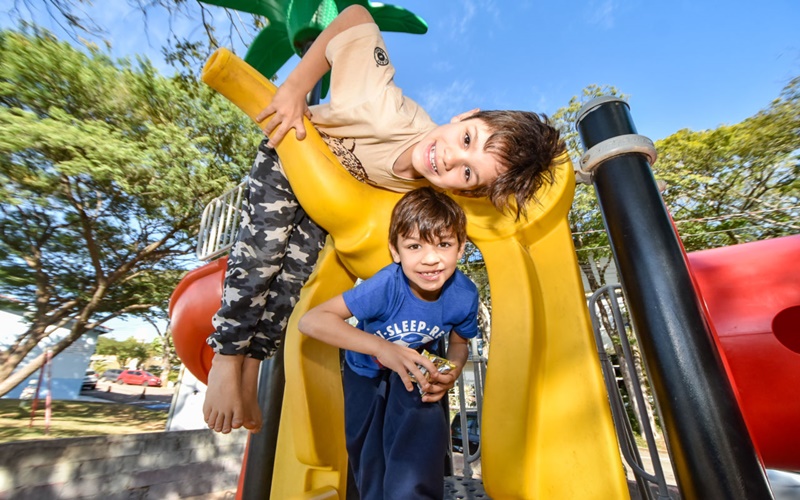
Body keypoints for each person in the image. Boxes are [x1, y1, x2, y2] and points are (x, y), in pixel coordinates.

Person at [203, 4, 564, 434]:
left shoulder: (428, 193)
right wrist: (297, 87)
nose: (451, 158)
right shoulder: (381, 105)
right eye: (467, 139)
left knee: (291, 282)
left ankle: (250, 368)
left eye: (467, 172)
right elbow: (354, 16)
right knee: (261, 252)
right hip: (292, 156)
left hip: (326, 201)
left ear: (465, 190)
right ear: (465, 116)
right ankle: (226, 357)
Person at [298, 187, 478, 499]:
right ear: (396, 252)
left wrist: (451, 370)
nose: (431, 259)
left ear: (461, 248)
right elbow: (311, 321)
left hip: (416, 365)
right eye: (414, 246)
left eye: (444, 244)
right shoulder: (386, 285)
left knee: (419, 430)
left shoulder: (463, 295)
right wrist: (382, 348)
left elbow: (459, 343)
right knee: (369, 454)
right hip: (365, 371)